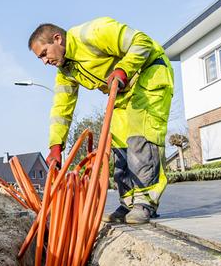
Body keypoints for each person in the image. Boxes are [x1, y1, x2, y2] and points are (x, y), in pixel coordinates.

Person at [28, 18, 174, 224]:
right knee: (118, 144)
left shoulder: (93, 33)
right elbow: (61, 109)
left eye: (44, 53)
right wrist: (55, 145)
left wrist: (123, 68)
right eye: (40, 59)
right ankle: (128, 203)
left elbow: (142, 42)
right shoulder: (66, 72)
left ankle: (145, 202)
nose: (44, 61)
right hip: (123, 91)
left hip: (148, 74)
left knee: (139, 136)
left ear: (57, 39)